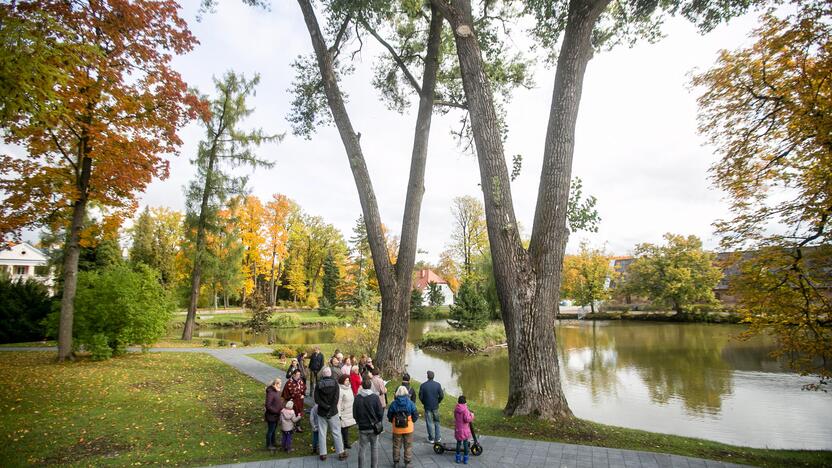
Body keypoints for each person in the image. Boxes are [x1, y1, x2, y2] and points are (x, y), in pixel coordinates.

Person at [314, 367, 347, 461]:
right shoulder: (335, 384)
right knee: (336, 432)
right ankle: (340, 452)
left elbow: (317, 399)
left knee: (322, 432)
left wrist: (325, 406)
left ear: (323, 375)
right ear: (330, 374)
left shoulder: (318, 385)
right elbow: (336, 399)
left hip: (322, 411)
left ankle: (323, 454)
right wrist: (330, 408)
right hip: (333, 412)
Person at [353, 377, 383, 468]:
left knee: (362, 448)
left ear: (362, 386)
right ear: (370, 386)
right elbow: (380, 412)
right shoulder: (375, 397)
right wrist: (378, 421)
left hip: (362, 427)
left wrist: (358, 422)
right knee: (374, 448)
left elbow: (354, 413)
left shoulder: (357, 398)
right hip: (373, 427)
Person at [387, 386, 419, 468]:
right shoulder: (410, 403)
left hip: (397, 428)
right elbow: (415, 414)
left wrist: (392, 421)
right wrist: (412, 421)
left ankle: (396, 462)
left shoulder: (394, 403)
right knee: (408, 446)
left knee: (396, 445)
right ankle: (407, 463)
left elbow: (389, 415)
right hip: (408, 428)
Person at [418, 370, 444, 443]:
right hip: (435, 406)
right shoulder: (438, 385)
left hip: (427, 406)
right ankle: (438, 438)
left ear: (427, 376)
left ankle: (431, 438)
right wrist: (438, 401)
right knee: (437, 422)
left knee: (429, 422)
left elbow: (420, 397)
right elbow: (441, 395)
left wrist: (424, 402)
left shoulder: (423, 385)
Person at [453, 396, 475, 464]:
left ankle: (458, 458)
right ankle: (465, 459)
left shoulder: (456, 409)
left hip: (458, 429)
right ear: (465, 402)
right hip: (464, 430)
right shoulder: (466, 410)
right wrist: (472, 415)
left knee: (458, 443)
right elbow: (467, 419)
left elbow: (455, 417)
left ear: (458, 402)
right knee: (465, 444)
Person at [337, 374, 356, 449]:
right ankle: (344, 443)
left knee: (346, 428)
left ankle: (344, 442)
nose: (348, 382)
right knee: (344, 428)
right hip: (343, 412)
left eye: (348, 380)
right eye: (346, 380)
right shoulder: (340, 390)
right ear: (342, 381)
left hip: (349, 411)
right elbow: (338, 403)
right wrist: (339, 414)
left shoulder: (349, 388)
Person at [264, 378, 283, 450]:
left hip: (276, 415)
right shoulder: (271, 393)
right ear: (276, 384)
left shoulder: (276, 392)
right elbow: (268, 405)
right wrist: (276, 411)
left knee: (274, 430)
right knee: (270, 430)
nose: (280, 386)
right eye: (279, 384)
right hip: (271, 415)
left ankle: (273, 442)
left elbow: (277, 402)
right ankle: (269, 445)